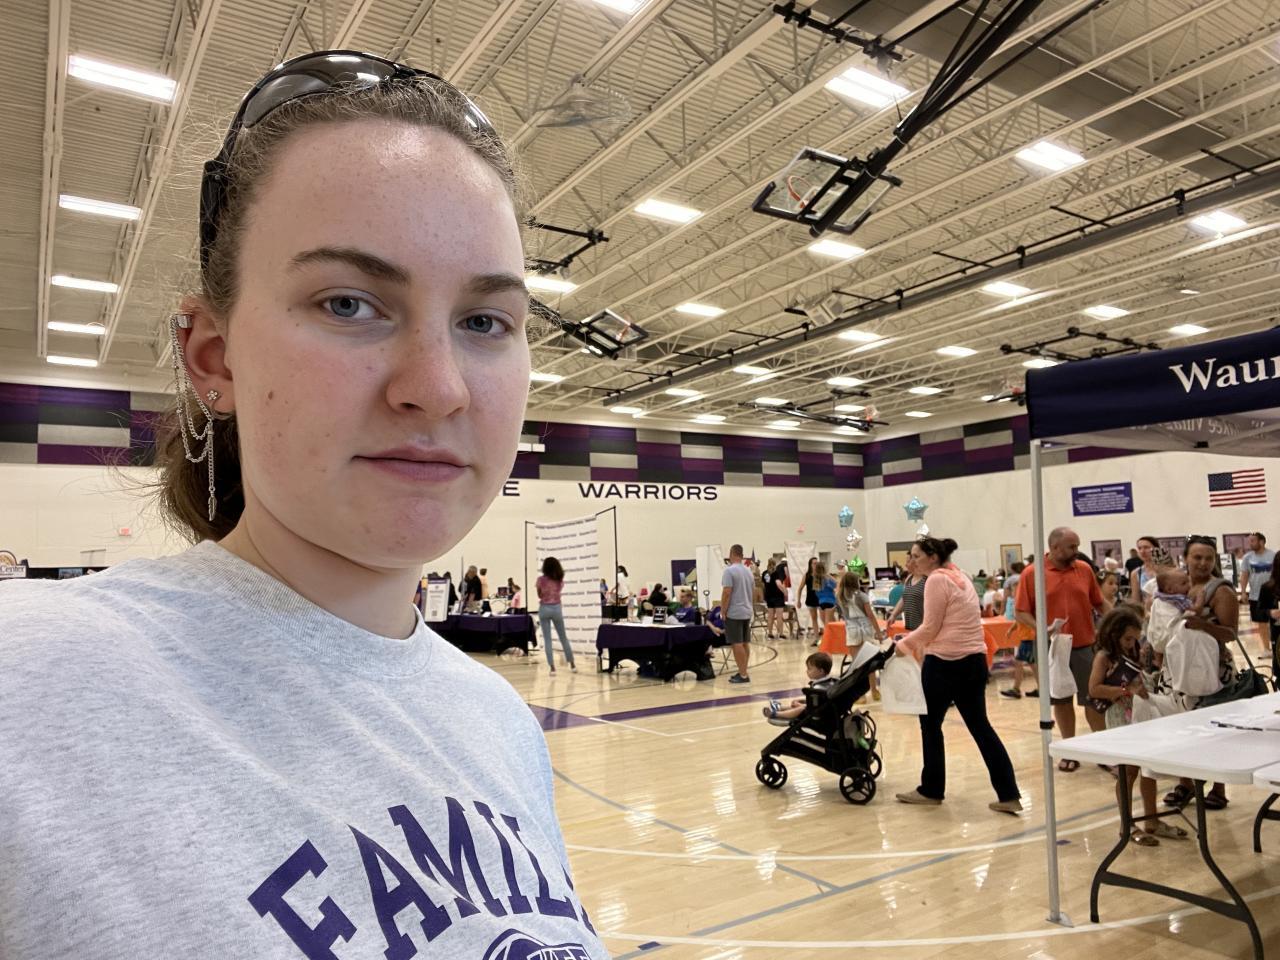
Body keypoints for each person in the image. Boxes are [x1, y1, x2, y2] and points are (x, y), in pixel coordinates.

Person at [0, 50, 605, 958]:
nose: (437, 388)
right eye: (350, 304)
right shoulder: (29, 684)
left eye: (485, 321)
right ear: (213, 357)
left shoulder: (497, 722)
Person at [893, 537, 1022, 814]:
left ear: (932, 557)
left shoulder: (936, 580)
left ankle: (931, 789)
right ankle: (1009, 793)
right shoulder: (960, 575)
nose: (911, 561)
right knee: (981, 727)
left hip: (944, 663)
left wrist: (902, 647)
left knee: (930, 726)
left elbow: (930, 627)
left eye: (916, 556)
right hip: (974, 661)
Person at [1087, 606, 1189, 847]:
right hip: (1120, 716)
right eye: (1127, 639)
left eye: (1134, 638)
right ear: (1113, 635)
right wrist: (1125, 690)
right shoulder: (1103, 657)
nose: (1131, 643)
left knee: (1148, 768)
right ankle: (1127, 824)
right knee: (1128, 771)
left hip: (1139, 711)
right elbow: (1094, 689)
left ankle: (1151, 819)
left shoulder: (1132, 652)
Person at [1015, 526, 1112, 769]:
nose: (1076, 551)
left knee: (1093, 699)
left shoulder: (1084, 569)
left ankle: (1104, 753)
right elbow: (1021, 611)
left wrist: (1118, 623)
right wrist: (1041, 627)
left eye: (1077, 546)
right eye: (1072, 547)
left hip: (1084, 645)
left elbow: (1099, 602)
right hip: (1052, 648)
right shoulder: (1032, 573)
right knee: (1061, 700)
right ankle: (1069, 751)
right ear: (1054, 547)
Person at [1164, 536, 1239, 811]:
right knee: (1182, 730)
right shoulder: (1174, 585)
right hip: (1179, 667)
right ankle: (1186, 783)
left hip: (1212, 669)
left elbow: (1231, 633)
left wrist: (1203, 625)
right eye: (1197, 557)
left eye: (1209, 558)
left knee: (1216, 730)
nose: (1203, 563)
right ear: (1185, 558)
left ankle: (1218, 787)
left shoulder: (1221, 591)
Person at [836, 571, 885, 700]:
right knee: (870, 662)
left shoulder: (840, 596)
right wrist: (878, 632)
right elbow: (870, 615)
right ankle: (874, 690)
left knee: (857, 664)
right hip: (866, 628)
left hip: (851, 629)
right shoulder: (862, 595)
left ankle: (861, 695)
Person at [1000, 561, 1038, 699]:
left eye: (1013, 589)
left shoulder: (1023, 602)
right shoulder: (1020, 603)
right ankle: (1037, 688)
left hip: (1028, 637)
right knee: (1029, 663)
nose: (1011, 592)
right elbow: (1020, 619)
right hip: (1027, 637)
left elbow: (1023, 618)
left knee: (1027, 663)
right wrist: (1011, 629)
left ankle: (1017, 689)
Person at [761, 652, 837, 721]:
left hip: (817, 715)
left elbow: (813, 707)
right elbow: (818, 702)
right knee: (799, 706)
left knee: (801, 708)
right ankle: (780, 708)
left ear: (821, 671)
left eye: (809, 669)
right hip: (823, 710)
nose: (807, 671)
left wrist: (800, 704)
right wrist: (801, 701)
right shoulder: (830, 682)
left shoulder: (818, 689)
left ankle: (776, 714)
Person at [721, 544, 755, 683]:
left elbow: (727, 592)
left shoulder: (729, 571)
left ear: (732, 553)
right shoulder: (748, 571)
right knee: (745, 642)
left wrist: (723, 610)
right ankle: (743, 670)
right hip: (747, 610)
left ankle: (743, 674)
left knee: (737, 643)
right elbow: (753, 591)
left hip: (734, 612)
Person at [536, 558, 576, 674]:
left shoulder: (540, 580)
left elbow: (539, 595)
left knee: (547, 639)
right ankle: (572, 664)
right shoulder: (559, 580)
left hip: (544, 608)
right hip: (557, 608)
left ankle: (552, 667)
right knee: (563, 637)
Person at [1239, 532, 1275, 654]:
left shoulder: (1273, 556)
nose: (1250, 544)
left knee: (1275, 622)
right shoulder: (1247, 558)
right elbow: (1244, 576)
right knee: (1261, 623)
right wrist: (1243, 592)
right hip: (1255, 596)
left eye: (1253, 541)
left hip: (1273, 595)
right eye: (1250, 541)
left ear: (1262, 542)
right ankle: (1266, 649)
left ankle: (1276, 646)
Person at [1129, 535, 1160, 608]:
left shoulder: (1166, 569)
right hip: (1147, 611)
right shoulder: (1136, 573)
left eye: (1146, 547)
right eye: (1139, 548)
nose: (1142, 551)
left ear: (1156, 549)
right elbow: (1136, 600)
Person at [761, 557, 787, 639]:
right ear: (775, 564)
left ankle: (770, 633)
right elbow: (778, 584)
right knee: (779, 617)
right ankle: (780, 633)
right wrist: (785, 592)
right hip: (778, 597)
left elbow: (764, 585)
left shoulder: (764, 573)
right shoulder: (776, 572)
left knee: (770, 617)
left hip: (769, 597)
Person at [802, 557, 822, 638]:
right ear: (810, 565)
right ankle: (816, 637)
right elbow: (800, 588)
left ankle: (827, 636)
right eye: (814, 563)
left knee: (823, 618)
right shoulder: (807, 575)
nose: (816, 565)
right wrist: (798, 600)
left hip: (821, 599)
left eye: (817, 563)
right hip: (810, 599)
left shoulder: (821, 575)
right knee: (814, 618)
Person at [816, 562, 838, 627]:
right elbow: (836, 584)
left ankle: (834, 632)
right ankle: (836, 632)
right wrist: (829, 575)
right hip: (830, 601)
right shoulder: (828, 578)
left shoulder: (816, 580)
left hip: (821, 602)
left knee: (826, 622)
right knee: (829, 622)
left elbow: (816, 592)